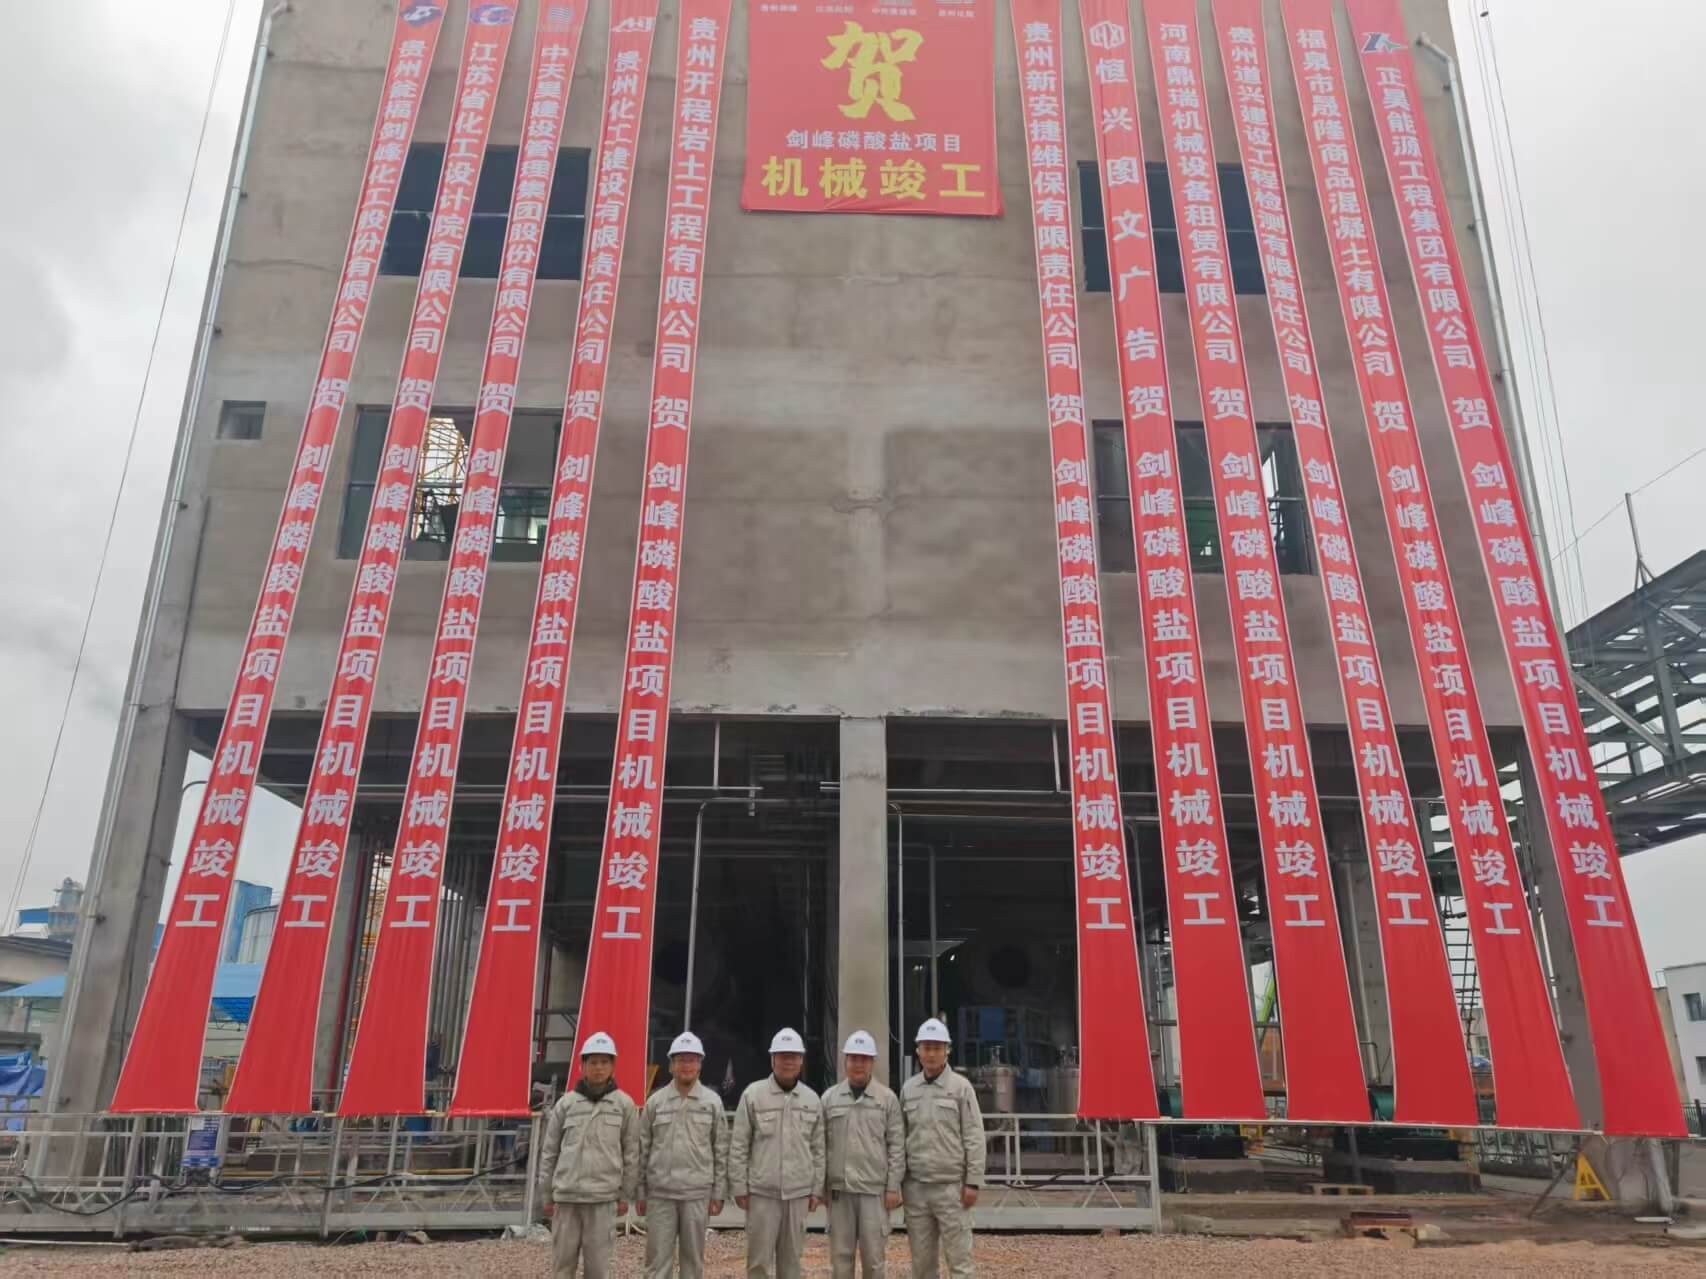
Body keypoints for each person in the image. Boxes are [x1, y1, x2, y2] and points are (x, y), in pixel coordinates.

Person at [537, 1031, 641, 1279]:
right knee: (562, 1267)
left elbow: (631, 1153)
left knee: (598, 1269)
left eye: (604, 1062)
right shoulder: (566, 1104)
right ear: (582, 1065)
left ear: (613, 1066)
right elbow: (549, 1152)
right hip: (567, 1197)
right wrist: (547, 1194)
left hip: (603, 1198)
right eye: (593, 1062)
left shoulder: (624, 1105)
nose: (598, 1068)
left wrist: (625, 1194)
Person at [728, 1027, 825, 1279]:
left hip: (798, 1194)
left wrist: (816, 1189)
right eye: (782, 1056)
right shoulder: (753, 1095)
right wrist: (739, 1187)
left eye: (794, 1056)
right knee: (758, 1262)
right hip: (762, 1194)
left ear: (801, 1061)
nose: (788, 1061)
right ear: (772, 1060)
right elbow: (739, 1145)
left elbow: (818, 1149)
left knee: (791, 1262)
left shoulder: (812, 1100)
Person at [637, 1030, 729, 1278]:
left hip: (696, 1194)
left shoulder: (712, 1102)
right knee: (657, 1263)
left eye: (692, 1060)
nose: (686, 1065)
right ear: (671, 1065)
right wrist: (640, 1191)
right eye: (681, 1060)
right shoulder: (655, 1102)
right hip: (660, 1195)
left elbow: (721, 1150)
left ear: (700, 1064)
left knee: (692, 1263)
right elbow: (642, 1148)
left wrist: (719, 1193)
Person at [900, 1018, 984, 1279]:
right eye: (926, 1047)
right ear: (918, 1051)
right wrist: (897, 1183)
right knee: (922, 1266)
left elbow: (974, 1136)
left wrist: (973, 1182)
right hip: (917, 1189)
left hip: (952, 1190)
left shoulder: (961, 1088)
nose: (931, 1054)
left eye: (937, 1048)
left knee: (960, 1264)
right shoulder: (909, 1089)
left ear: (947, 1050)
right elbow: (900, 1138)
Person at [821, 1029, 905, 1278]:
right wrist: (820, 1187)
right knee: (840, 1261)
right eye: (853, 1058)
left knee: (874, 1261)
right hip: (840, 1193)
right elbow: (819, 1147)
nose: (858, 1064)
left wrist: (893, 1187)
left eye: (864, 1059)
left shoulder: (887, 1100)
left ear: (872, 1062)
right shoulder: (830, 1099)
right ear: (845, 1061)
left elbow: (897, 1146)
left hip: (874, 1193)